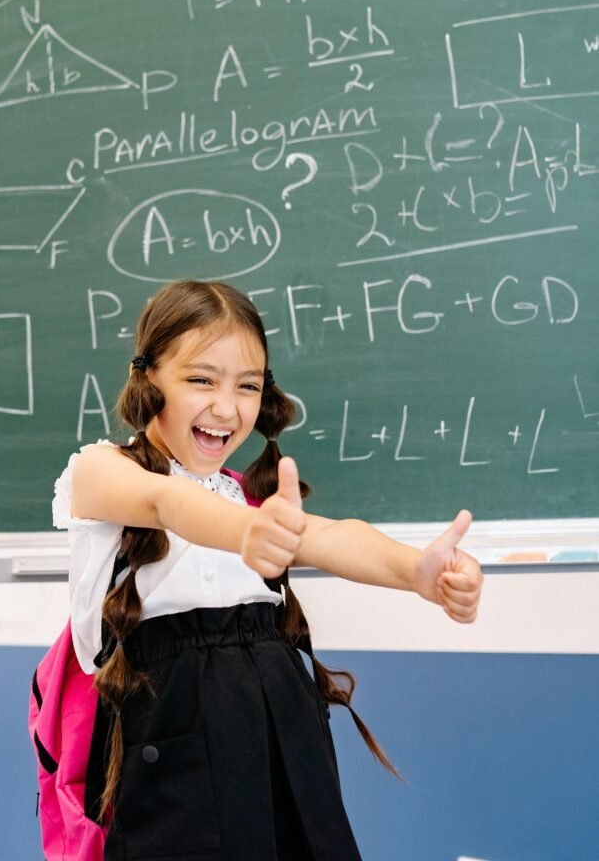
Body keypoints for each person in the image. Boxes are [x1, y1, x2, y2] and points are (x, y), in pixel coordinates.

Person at [53, 278, 483, 860]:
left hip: (283, 736)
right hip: (171, 755)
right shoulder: (101, 471)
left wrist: (416, 572)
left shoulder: (242, 498)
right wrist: (246, 532)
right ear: (148, 376)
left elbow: (333, 535)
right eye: (201, 379)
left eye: (247, 386)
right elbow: (164, 503)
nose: (227, 407)